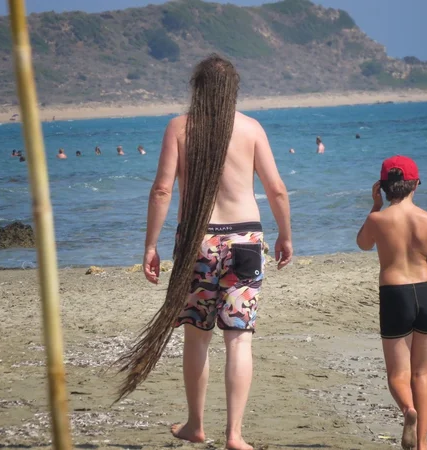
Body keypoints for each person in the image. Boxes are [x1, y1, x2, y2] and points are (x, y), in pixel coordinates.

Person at [117, 55, 293, 450]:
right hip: (246, 240)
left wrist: (150, 244)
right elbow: (276, 188)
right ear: (233, 89)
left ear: (197, 86)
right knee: (239, 338)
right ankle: (234, 435)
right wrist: (285, 235)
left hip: (198, 241)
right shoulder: (250, 128)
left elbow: (162, 190)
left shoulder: (179, 128)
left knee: (197, 337)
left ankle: (196, 424)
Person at [356, 155, 427, 450]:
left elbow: (363, 243)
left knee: (397, 375)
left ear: (383, 188)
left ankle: (407, 410)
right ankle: (423, 444)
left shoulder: (378, 219)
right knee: (421, 373)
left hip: (394, 294)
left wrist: (374, 207)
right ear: (416, 185)